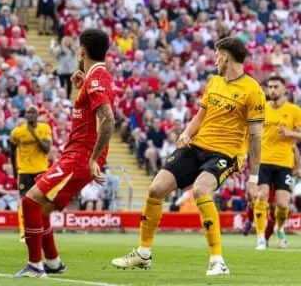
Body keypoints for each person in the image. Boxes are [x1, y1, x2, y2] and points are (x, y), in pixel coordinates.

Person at [111, 37, 266, 276]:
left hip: (226, 153)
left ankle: (217, 260)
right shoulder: (214, 82)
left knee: (201, 190)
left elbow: (256, 137)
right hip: (197, 147)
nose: (215, 60)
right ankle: (143, 253)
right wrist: (186, 133)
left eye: (217, 55)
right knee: (155, 189)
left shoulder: (253, 90)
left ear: (226, 56)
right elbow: (200, 117)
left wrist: (253, 179)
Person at [14, 28, 115, 278]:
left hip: (81, 157)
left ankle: (35, 265)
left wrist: (93, 159)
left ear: (81, 51)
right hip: (75, 154)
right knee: (41, 206)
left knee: (31, 201)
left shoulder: (97, 79)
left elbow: (108, 120)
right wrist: (78, 88)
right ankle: (52, 261)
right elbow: (90, 116)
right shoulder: (93, 78)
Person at [254, 75, 301, 250]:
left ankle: (279, 229)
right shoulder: (261, 109)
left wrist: (290, 134)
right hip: (263, 161)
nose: (272, 90)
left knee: (282, 205)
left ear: (284, 89)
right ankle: (260, 237)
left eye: (276, 87)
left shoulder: (294, 111)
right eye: (270, 87)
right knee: (262, 196)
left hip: (284, 163)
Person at [10, 106, 52, 240]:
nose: (31, 115)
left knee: (42, 202)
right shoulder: (17, 131)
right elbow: (12, 151)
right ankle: (24, 232)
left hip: (41, 170)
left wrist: (34, 134)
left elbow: (46, 149)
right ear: (25, 115)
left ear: (37, 115)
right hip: (25, 171)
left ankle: (42, 230)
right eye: (28, 112)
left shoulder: (44, 128)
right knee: (24, 201)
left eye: (33, 112)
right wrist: (15, 170)